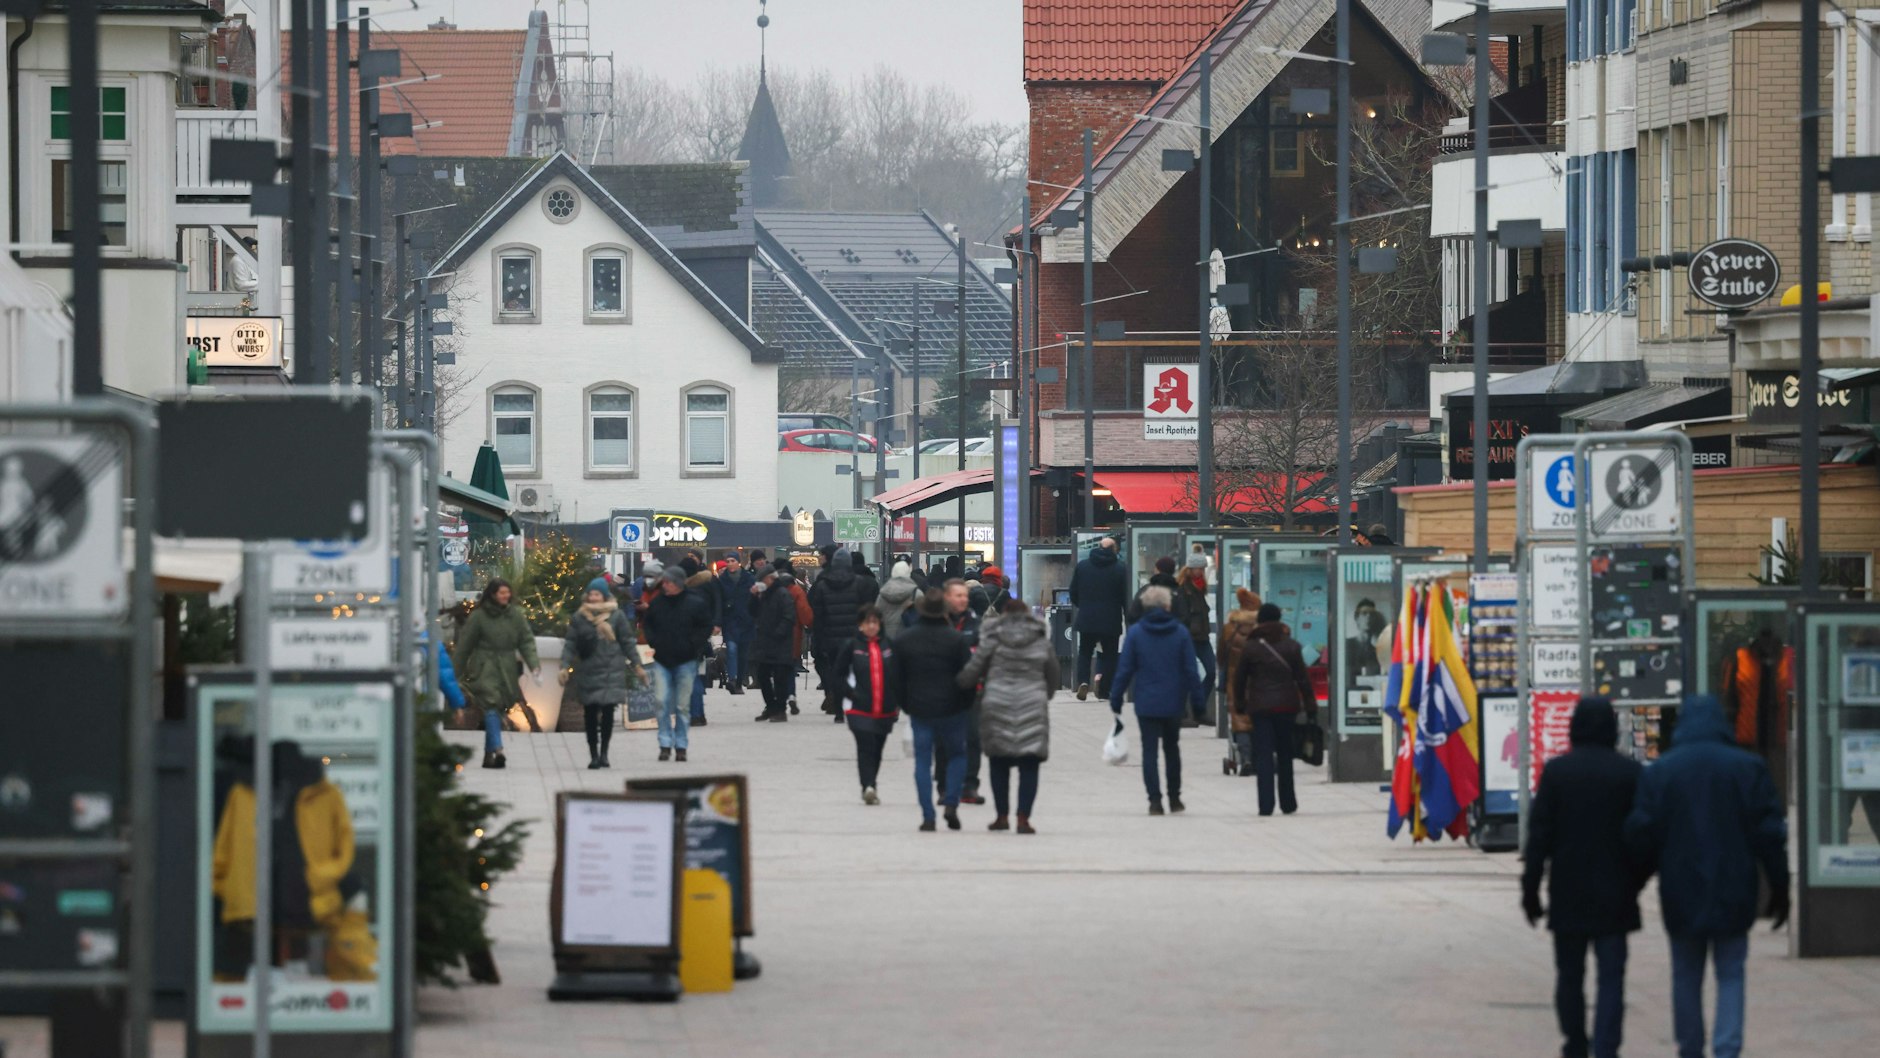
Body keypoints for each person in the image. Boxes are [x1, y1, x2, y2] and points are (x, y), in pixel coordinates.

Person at [1625, 694, 1788, 1058]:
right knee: (1731, 971)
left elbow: (1643, 833)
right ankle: (1727, 1048)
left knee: (1685, 973)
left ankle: (1690, 1048)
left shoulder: (1662, 771)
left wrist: (1634, 882)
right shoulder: (1748, 768)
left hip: (1680, 888)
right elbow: (1769, 835)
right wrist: (1780, 886)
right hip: (1735, 887)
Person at [1522, 697, 1644, 1058]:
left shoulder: (1558, 773)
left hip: (1568, 892)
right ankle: (1607, 1047)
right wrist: (1635, 880)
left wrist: (1531, 890)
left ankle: (1575, 1043)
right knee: (1611, 979)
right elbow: (1645, 835)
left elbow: (1539, 837)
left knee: (1569, 976)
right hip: (1616, 894)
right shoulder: (1630, 774)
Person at [958, 598, 1058, 834]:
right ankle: (1023, 818)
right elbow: (1053, 674)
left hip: (996, 704)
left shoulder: (992, 637)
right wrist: (1043, 695)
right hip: (1032, 704)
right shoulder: (1040, 639)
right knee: (1029, 764)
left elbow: (973, 669)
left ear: (1003, 614)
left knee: (999, 763)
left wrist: (960, 685)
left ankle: (1001, 816)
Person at [1110, 585, 1204, 815]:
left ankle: (1154, 801)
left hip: (1146, 702)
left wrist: (1116, 697)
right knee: (1172, 749)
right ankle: (1175, 798)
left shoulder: (1136, 633)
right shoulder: (1180, 632)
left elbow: (1125, 669)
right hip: (1174, 701)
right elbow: (1191, 670)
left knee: (1149, 751)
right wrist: (1198, 702)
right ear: (1168, 606)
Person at [889, 590, 974, 831]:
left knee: (923, 761)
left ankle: (928, 815)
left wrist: (906, 704)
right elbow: (968, 675)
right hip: (953, 708)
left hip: (920, 708)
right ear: (945, 611)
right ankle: (951, 802)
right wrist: (966, 703)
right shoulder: (957, 639)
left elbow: (895, 678)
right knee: (957, 755)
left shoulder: (905, 640)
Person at [1231, 602, 1317, 816]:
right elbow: (1303, 679)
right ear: (1279, 620)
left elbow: (1239, 680)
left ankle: (1265, 805)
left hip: (1260, 708)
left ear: (1259, 621)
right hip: (1287, 707)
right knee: (1285, 754)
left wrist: (1239, 704)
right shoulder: (1292, 646)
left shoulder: (1251, 647)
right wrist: (1310, 706)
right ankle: (1288, 803)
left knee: (1264, 755)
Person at [452, 579, 541, 770]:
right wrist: (454, 675)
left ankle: (488, 755)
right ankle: (499, 750)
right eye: (502, 593)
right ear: (492, 594)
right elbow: (465, 646)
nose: (505, 596)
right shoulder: (479, 617)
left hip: (507, 668)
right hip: (485, 667)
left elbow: (526, 641)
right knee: (491, 704)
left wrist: (534, 666)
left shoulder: (515, 616)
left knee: (499, 708)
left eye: (507, 592)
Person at [561, 578, 644, 769]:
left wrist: (637, 664)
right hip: (588, 671)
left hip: (610, 671)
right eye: (591, 594)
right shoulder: (580, 617)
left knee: (607, 714)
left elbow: (627, 641)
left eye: (597, 594)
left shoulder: (616, 616)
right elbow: (571, 643)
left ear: (604, 596)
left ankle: (604, 752)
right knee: (590, 715)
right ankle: (593, 754)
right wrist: (564, 666)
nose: (593, 597)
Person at [641, 567, 712, 762]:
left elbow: (705, 626)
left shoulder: (695, 603)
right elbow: (649, 624)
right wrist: (654, 641)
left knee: (682, 705)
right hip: (662, 659)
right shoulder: (658, 603)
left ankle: (681, 745)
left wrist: (693, 644)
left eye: (668, 582)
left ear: (679, 583)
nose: (665, 586)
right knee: (661, 701)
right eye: (664, 582)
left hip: (686, 660)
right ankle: (664, 742)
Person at [838, 605, 899, 804]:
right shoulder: (852, 646)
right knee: (866, 746)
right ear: (860, 625)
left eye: (875, 622)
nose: (872, 626)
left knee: (878, 749)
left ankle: (872, 783)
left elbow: (899, 674)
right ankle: (868, 786)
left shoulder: (889, 646)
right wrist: (850, 693)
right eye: (867, 622)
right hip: (859, 707)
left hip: (885, 708)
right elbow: (838, 675)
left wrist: (897, 698)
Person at [938, 578, 986, 804]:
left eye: (965, 596)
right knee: (943, 741)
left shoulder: (975, 624)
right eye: (958, 595)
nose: (963, 600)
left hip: (971, 691)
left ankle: (970, 785)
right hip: (942, 691)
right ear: (947, 597)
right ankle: (944, 786)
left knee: (973, 738)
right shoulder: (938, 624)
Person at [1069, 536, 1130, 701]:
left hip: (1087, 617)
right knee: (1110, 655)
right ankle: (1104, 690)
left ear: (1098, 547)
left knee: (1085, 651)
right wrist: (1127, 617)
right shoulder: (1120, 568)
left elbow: (1073, 592)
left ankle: (1083, 681)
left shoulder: (1083, 566)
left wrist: (1083, 606)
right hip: (1111, 619)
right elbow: (1125, 597)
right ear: (1114, 549)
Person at [810, 546, 865, 721]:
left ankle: (839, 711)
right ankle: (853, 705)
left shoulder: (822, 584)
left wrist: (818, 638)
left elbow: (818, 615)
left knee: (836, 672)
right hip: (853, 637)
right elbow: (864, 612)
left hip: (830, 637)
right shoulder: (859, 584)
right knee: (852, 672)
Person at [1216, 588, 1264, 776]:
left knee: (1240, 721)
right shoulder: (1263, 629)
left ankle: (1246, 758)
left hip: (1236, 683)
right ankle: (1260, 758)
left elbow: (1221, 657)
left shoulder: (1230, 628)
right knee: (1259, 720)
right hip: (1260, 683)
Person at [748, 568, 801, 722]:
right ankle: (771, 706)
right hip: (764, 642)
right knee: (762, 676)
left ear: (770, 579)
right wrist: (753, 597)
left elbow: (789, 617)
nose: (761, 583)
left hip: (780, 643)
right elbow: (753, 612)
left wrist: (778, 633)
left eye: (762, 580)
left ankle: (780, 709)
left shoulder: (782, 594)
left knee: (780, 678)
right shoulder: (763, 594)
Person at [680, 555, 719, 725]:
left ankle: (695, 714)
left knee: (690, 677)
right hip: (701, 638)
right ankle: (699, 713)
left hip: (688, 640)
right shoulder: (707, 585)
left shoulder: (686, 594)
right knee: (696, 675)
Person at [1176, 554, 1214, 716]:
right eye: (1199, 568)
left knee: (1211, 671)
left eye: (1203, 569)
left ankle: (1199, 707)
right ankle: (1184, 711)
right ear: (1190, 569)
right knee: (1187, 674)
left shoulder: (1200, 588)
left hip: (1202, 637)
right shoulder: (1183, 589)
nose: (1201, 572)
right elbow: (1182, 615)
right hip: (1188, 638)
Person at [717, 554, 755, 695]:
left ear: (738, 562)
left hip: (746, 621)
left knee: (743, 654)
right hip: (730, 621)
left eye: (732, 561)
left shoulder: (748, 578)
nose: (730, 563)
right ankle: (732, 679)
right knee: (732, 649)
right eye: (727, 561)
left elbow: (755, 600)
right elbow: (718, 601)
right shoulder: (722, 580)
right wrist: (718, 621)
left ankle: (739, 682)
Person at [1126, 556, 1182, 625]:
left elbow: (1133, 615)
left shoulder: (1146, 590)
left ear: (1157, 570)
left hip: (1147, 629)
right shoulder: (1179, 592)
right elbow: (1184, 617)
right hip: (1172, 630)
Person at [876, 560, 920, 634]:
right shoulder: (916, 593)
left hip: (887, 635)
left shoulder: (883, 594)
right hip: (910, 635)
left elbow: (876, 614)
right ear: (909, 574)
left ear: (892, 573)